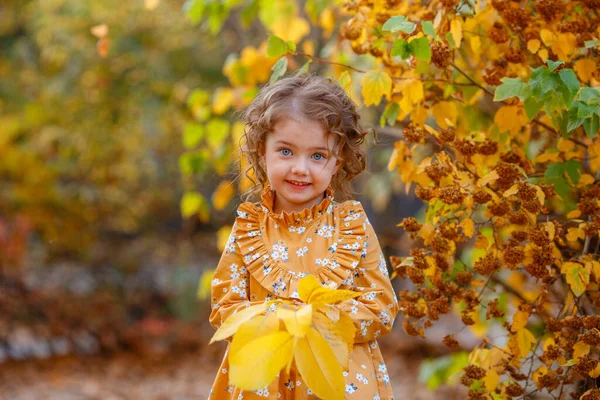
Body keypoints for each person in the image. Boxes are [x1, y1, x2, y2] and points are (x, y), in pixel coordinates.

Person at [207, 74, 399, 399]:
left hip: (338, 378)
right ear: (261, 151)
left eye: (317, 156)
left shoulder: (351, 228)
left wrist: (319, 322)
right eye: (285, 151)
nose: (300, 168)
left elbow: (381, 307)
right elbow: (225, 309)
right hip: (265, 380)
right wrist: (277, 322)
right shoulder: (248, 231)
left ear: (337, 162)